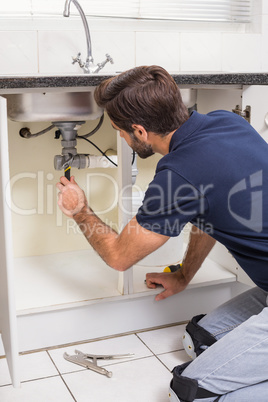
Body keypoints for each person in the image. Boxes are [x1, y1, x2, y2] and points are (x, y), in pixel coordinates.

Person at [56, 65, 268, 401]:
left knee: (188, 392)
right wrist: (184, 274)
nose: (122, 139)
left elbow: (118, 256)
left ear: (139, 130)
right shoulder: (229, 122)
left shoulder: (178, 174)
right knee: (195, 341)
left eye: (121, 132)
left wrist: (79, 209)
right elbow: (207, 213)